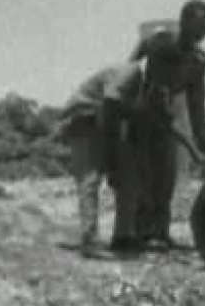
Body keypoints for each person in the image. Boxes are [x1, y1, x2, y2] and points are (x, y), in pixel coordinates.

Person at [129, 0, 205, 249]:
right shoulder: (162, 44)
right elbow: (144, 75)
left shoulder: (199, 60)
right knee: (145, 173)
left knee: (166, 176)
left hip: (166, 119)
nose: (202, 31)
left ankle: (160, 231)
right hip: (143, 113)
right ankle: (141, 233)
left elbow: (197, 103)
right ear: (183, 22)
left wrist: (203, 141)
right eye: (197, 24)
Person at [58, 62, 147, 259]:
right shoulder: (132, 71)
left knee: (128, 178)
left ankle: (123, 237)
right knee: (91, 178)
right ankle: (89, 241)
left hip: (107, 123)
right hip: (85, 119)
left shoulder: (150, 89)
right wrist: (112, 146)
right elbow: (110, 101)